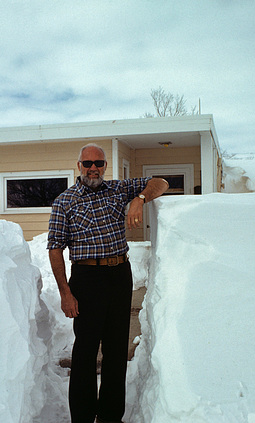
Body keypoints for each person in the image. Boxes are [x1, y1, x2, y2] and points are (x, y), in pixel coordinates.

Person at [47, 143, 169, 423]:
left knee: (115, 350)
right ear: (79, 166)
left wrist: (138, 197)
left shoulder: (118, 189)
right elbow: (55, 248)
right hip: (87, 278)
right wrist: (65, 292)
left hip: (119, 275)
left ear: (104, 166)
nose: (93, 168)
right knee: (86, 350)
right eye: (87, 163)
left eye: (98, 163)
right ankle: (83, 416)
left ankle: (111, 417)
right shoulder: (64, 201)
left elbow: (161, 183)